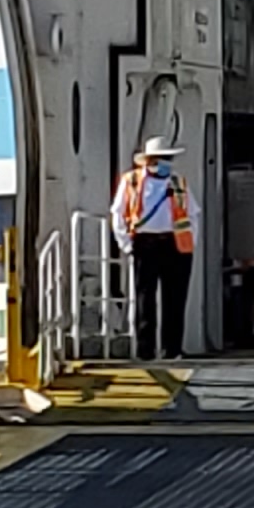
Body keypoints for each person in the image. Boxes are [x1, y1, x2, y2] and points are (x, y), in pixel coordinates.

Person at [110, 133, 196, 362]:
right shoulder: (132, 181)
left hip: (174, 244)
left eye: (168, 158)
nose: (166, 163)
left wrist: (190, 241)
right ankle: (145, 351)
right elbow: (118, 213)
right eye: (161, 158)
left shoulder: (178, 182)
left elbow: (192, 213)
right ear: (149, 160)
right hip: (145, 244)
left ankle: (172, 350)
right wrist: (126, 245)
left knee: (175, 299)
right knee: (144, 299)